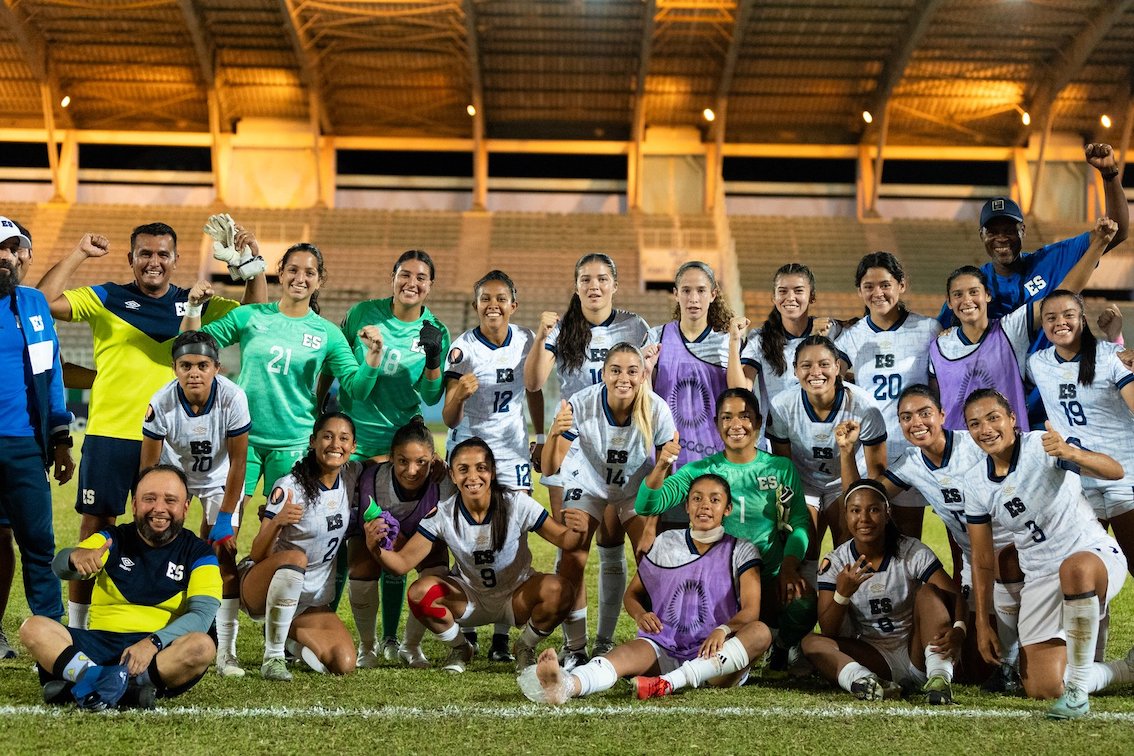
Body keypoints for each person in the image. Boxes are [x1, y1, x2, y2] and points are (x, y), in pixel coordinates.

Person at [36, 221, 266, 629]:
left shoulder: (193, 303)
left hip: (172, 444)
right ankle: (79, 627)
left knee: (167, 532)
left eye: (163, 254)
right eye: (145, 253)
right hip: (111, 434)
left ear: (176, 260)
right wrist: (80, 252)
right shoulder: (108, 296)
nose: (153, 261)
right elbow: (43, 301)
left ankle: (168, 619)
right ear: (131, 258)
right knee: (96, 529)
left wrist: (252, 265)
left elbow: (254, 316)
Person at [520, 474, 771, 703]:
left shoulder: (741, 549)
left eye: (714, 500)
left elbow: (751, 611)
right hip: (664, 645)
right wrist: (641, 615)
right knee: (619, 656)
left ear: (727, 509)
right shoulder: (666, 542)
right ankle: (565, 686)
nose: (705, 505)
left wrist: (722, 630)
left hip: (716, 656)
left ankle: (667, 683)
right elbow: (632, 595)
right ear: (686, 506)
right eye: (697, 498)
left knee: (760, 632)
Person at [962, 389, 1134, 719]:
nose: (986, 429)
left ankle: (1079, 690)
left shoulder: (1043, 446)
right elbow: (981, 560)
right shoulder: (975, 482)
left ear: (1012, 419)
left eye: (993, 418)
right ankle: (1125, 669)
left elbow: (1115, 471)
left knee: (1075, 569)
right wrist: (983, 623)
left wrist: (1073, 454)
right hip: (1040, 576)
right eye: (975, 423)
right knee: (1044, 688)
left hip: (1091, 556)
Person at [183, 241, 382, 523]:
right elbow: (191, 348)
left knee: (282, 530)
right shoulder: (250, 316)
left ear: (319, 280)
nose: (300, 278)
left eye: (309, 273)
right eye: (293, 270)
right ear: (281, 273)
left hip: (293, 444)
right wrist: (193, 308)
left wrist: (373, 357)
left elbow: (357, 389)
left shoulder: (328, 334)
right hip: (241, 437)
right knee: (220, 525)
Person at [834, 385, 1013, 687]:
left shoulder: (975, 445)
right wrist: (847, 451)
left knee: (1016, 655)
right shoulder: (911, 463)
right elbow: (863, 496)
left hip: (1016, 550)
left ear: (942, 415)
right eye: (906, 417)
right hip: (975, 561)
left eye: (924, 413)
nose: (916, 423)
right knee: (974, 669)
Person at [363, 437, 589, 674]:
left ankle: (524, 646)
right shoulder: (443, 513)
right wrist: (376, 548)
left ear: (492, 471)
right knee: (420, 593)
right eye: (463, 469)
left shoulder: (517, 503)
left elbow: (565, 540)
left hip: (517, 596)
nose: (473, 477)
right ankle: (461, 647)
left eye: (481, 468)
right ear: (452, 475)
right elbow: (401, 564)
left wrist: (579, 530)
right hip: (468, 598)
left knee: (560, 589)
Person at [524, 253, 650, 666]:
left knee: (614, 546)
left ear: (615, 284)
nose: (594, 286)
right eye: (585, 279)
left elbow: (649, 383)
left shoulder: (635, 326)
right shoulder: (563, 329)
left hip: (622, 451)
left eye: (601, 279)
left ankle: (605, 641)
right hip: (574, 450)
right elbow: (534, 382)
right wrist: (542, 336)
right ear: (576, 285)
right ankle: (575, 647)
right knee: (573, 549)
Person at [635, 387, 813, 674]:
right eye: (727, 417)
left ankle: (781, 645)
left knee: (802, 601)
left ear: (758, 422)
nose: (736, 424)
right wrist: (662, 466)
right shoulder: (700, 471)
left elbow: (800, 523)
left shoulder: (780, 468)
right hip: (716, 585)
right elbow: (647, 505)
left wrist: (790, 566)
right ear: (716, 423)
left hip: (767, 577)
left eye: (744, 416)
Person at [19, 464, 220, 710]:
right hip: (99, 644)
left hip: (159, 652)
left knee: (202, 646)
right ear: (134, 504)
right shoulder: (113, 538)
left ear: (185, 507)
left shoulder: (200, 553)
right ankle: (129, 690)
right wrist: (75, 558)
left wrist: (153, 643)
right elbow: (62, 566)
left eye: (170, 500)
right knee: (33, 627)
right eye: (149, 499)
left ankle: (84, 683)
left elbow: (202, 616)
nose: (159, 508)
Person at [543, 343, 676, 668]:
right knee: (573, 553)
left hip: (635, 487)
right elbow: (550, 467)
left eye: (632, 371)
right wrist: (554, 434)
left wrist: (652, 527)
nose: (623, 378)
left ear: (643, 375)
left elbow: (665, 475)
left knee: (652, 558)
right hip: (587, 480)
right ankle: (575, 648)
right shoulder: (582, 402)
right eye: (615, 370)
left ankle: (654, 641)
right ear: (603, 373)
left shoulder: (656, 408)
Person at [931, 217, 1115, 431]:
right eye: (958, 295)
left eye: (974, 292)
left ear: (988, 295)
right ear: (949, 302)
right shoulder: (939, 347)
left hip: (1012, 438)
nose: (967, 300)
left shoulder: (1010, 330)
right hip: (960, 442)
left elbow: (1062, 293)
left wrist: (1099, 244)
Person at [442, 270, 542, 661]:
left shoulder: (527, 340)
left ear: (514, 305)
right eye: (485, 298)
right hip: (469, 451)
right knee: (464, 534)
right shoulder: (462, 348)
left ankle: (502, 634)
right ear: (475, 305)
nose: (493, 305)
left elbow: (533, 389)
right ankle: (467, 628)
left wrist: (540, 435)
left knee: (514, 537)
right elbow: (449, 417)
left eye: (501, 298)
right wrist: (459, 396)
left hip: (512, 451)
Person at [140, 330, 250, 677]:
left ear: (217, 367)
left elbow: (239, 463)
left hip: (220, 478)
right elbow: (148, 468)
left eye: (202, 365)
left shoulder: (233, 397)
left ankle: (226, 651)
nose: (194, 373)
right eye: (185, 365)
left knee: (223, 554)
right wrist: (151, 506)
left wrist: (226, 515)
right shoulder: (161, 402)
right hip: (175, 478)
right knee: (163, 550)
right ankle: (164, 628)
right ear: (174, 368)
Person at [802, 479, 960, 704]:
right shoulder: (836, 562)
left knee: (929, 592)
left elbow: (953, 595)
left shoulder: (911, 551)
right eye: (855, 511)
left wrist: (960, 629)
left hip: (917, 650)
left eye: (873, 510)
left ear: (887, 513)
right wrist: (842, 594)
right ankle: (865, 681)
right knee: (811, 643)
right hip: (874, 656)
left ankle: (939, 678)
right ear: (845, 516)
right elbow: (829, 630)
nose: (864, 519)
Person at [936, 144, 1128, 327]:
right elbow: (936, 334)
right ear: (981, 235)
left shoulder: (1051, 260)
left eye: (1009, 230)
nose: (1001, 238)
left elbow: (1116, 232)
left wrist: (1109, 174)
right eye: (993, 232)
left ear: (1023, 230)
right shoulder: (973, 288)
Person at [239, 413, 362, 681]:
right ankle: (273, 657)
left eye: (344, 439)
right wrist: (277, 522)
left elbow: (384, 468)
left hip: (309, 600)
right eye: (327, 436)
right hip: (263, 585)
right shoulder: (289, 486)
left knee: (343, 662)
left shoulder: (351, 475)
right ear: (312, 441)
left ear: (353, 447)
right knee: (296, 558)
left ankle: (286, 638)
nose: (335, 444)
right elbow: (258, 553)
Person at [0, 216, 74, 652]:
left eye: (14, 248)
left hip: (25, 446)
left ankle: (52, 642)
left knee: (38, 546)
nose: (5, 256)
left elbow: (52, 375)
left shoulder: (33, 304)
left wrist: (61, 440)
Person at [835, 252, 941, 538]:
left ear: (901, 285)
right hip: (868, 449)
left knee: (908, 537)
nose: (878, 293)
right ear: (859, 291)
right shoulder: (852, 336)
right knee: (864, 536)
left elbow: (938, 389)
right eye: (868, 286)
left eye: (885, 284)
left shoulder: (927, 329)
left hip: (911, 448)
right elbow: (831, 377)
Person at [1030, 290, 1134, 577]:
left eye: (1068, 315)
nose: (1060, 322)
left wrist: (1118, 343)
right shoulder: (1037, 363)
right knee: (1080, 568)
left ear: (1083, 320)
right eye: (1051, 318)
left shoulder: (1111, 355)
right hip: (1079, 480)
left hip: (1125, 475)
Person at [348, 417, 455, 668]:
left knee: (437, 570)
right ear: (391, 458)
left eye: (421, 462)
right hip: (382, 538)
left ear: (434, 459)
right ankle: (367, 646)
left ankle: (411, 646)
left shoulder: (444, 482)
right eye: (403, 461)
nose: (412, 470)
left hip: (423, 539)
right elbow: (369, 529)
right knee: (360, 560)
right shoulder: (373, 479)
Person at [767, 335, 887, 558]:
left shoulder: (864, 406)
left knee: (848, 547)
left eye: (823, 364)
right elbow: (784, 468)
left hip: (847, 480)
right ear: (795, 370)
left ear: (837, 366)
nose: (815, 372)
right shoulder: (782, 405)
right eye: (806, 365)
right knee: (804, 546)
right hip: (804, 482)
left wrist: (861, 503)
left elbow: (876, 475)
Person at [645, 261, 738, 529]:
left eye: (701, 290)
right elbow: (646, 401)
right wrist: (646, 371)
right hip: (669, 462)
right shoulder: (657, 337)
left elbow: (740, 395)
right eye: (686, 290)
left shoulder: (726, 342)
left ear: (713, 294)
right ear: (675, 294)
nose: (693, 298)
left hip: (715, 462)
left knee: (715, 545)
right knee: (669, 542)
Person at [334, 249, 451, 460]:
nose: (412, 283)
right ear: (393, 278)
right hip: (349, 439)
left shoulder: (437, 332)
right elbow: (331, 363)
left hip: (400, 446)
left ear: (430, 285)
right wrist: (320, 407)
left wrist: (433, 358)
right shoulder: (361, 313)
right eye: (405, 275)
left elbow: (431, 397)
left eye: (421, 278)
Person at [739, 263, 842, 422]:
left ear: (812, 296)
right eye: (782, 291)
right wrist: (734, 342)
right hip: (777, 434)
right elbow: (742, 388)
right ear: (773, 297)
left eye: (798, 291)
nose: (790, 297)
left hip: (821, 431)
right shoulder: (759, 338)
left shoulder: (831, 331)